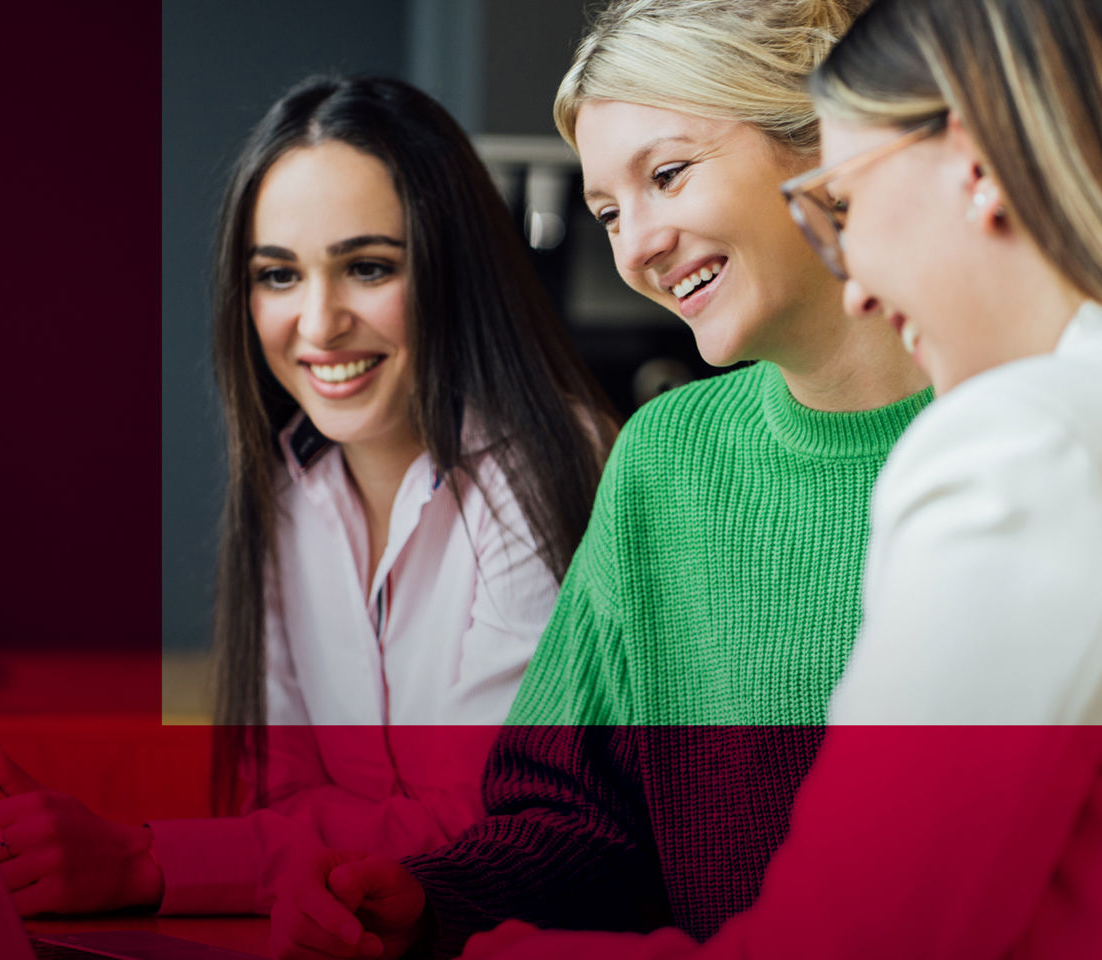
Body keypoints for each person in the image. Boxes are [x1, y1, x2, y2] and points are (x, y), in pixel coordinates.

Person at [429, 0, 1102, 956]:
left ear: (971, 163)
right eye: (606, 211)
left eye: (846, 195)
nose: (854, 273)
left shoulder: (1026, 448)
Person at [265, 2, 936, 958]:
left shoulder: (1032, 442)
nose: (637, 247)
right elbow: (578, 820)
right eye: (611, 213)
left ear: (824, 137)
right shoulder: (667, 456)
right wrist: (425, 900)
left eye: (668, 175)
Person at [0, 74, 615, 917]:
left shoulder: (546, 463)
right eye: (278, 276)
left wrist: (145, 858)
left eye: (368, 266)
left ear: (456, 270)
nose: (317, 323)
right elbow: (276, 807)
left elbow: (490, 828)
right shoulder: (286, 485)